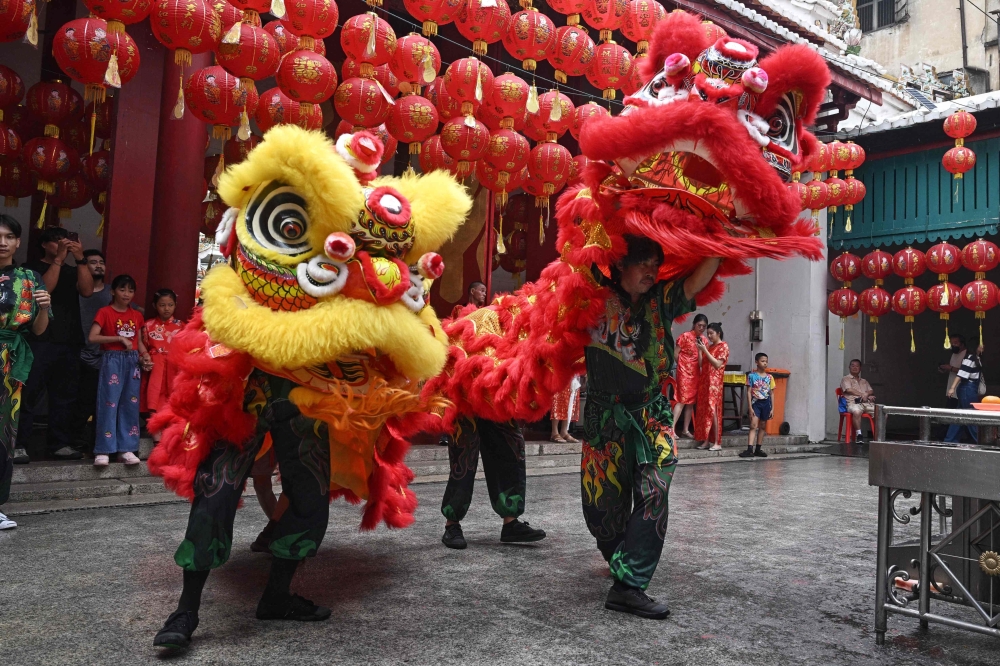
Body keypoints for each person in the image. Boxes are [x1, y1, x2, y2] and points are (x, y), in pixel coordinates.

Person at [580, 233, 720, 619]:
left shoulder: (662, 298)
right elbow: (573, 257)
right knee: (601, 512)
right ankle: (619, 560)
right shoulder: (591, 295)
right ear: (620, 264)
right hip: (602, 418)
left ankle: (629, 585)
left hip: (652, 413)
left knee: (655, 487)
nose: (651, 271)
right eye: (643, 263)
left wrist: (721, 240)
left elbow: (696, 281)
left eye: (655, 264)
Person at [16, 226, 94, 462]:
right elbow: (44, 289)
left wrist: (80, 257)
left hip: (69, 340)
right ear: (44, 244)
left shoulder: (74, 269)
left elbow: (88, 290)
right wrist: (59, 258)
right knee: (29, 393)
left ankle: (59, 444)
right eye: (56, 242)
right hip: (38, 340)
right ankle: (19, 444)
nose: (62, 246)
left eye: (66, 242)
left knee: (65, 396)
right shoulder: (30, 270)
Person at [0, 215, 50, 529]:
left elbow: (40, 330)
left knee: (4, 433)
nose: (2, 242)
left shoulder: (30, 278)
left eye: (8, 236)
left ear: (18, 242)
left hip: (10, 362)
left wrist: (44, 307)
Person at [440, 416, 547, 549]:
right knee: (463, 455)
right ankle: (452, 523)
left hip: (495, 398)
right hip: (464, 398)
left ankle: (510, 521)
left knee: (510, 447)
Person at [88, 275, 152, 466]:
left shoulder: (137, 315)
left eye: (130, 290)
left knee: (130, 405)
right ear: (113, 291)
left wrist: (145, 356)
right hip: (112, 361)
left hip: (132, 362)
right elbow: (92, 337)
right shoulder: (105, 312)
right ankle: (104, 449)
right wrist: (117, 339)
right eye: (122, 289)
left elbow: (138, 342)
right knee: (109, 404)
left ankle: (127, 448)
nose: (126, 294)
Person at [74, 249, 110, 453]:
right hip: (77, 352)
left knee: (99, 401)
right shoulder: (76, 291)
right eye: (93, 262)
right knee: (78, 400)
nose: (98, 265)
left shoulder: (113, 292)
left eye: (101, 262)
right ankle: (74, 438)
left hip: (104, 357)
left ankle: (97, 443)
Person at [140, 288, 184, 437]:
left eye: (170, 305)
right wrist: (144, 359)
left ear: (175, 305)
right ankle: (157, 438)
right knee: (155, 401)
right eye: (162, 305)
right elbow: (143, 348)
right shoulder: (148, 325)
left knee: (173, 402)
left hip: (174, 368)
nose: (166, 309)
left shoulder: (181, 326)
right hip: (156, 370)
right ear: (155, 306)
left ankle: (170, 439)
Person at [694, 323, 729, 451]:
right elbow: (701, 363)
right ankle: (706, 441)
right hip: (705, 382)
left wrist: (705, 351)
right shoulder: (709, 346)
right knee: (705, 412)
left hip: (714, 384)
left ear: (718, 333)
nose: (709, 336)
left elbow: (717, 364)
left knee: (713, 411)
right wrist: (700, 350)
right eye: (707, 334)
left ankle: (717, 442)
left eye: (711, 333)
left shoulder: (723, 346)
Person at [671, 314, 707, 438]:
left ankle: (686, 429)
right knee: (681, 400)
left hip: (696, 373)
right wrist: (682, 366)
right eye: (699, 325)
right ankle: (671, 428)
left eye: (704, 326)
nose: (701, 328)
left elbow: (703, 361)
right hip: (684, 372)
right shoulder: (685, 336)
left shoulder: (704, 340)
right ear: (694, 324)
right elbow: (675, 353)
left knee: (691, 402)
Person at [945, 343, 984, 443]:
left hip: (969, 389)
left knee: (960, 416)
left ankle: (950, 440)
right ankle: (979, 440)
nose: (983, 346)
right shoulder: (970, 358)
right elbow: (961, 374)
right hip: (967, 388)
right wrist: (952, 388)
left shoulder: (976, 358)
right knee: (971, 415)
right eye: (981, 344)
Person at [741, 352, 773, 458]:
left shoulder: (770, 377)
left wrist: (772, 408)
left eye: (766, 361)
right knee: (753, 425)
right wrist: (750, 407)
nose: (765, 363)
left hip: (766, 403)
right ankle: (749, 449)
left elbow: (772, 393)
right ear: (756, 362)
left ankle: (758, 448)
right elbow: (749, 392)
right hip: (756, 403)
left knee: (763, 426)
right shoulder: (751, 376)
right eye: (762, 361)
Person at [841, 359, 875, 443]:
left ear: (860, 368)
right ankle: (859, 435)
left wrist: (867, 395)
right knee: (856, 412)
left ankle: (879, 435)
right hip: (853, 403)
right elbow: (849, 390)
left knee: (881, 412)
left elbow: (871, 390)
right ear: (849, 367)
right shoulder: (846, 379)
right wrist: (863, 394)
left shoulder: (864, 381)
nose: (855, 367)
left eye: (857, 366)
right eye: (853, 366)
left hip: (866, 403)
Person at [550, 374, 582, 443]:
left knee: (570, 398)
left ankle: (564, 431)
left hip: (572, 371)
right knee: (558, 398)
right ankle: (554, 432)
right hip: (560, 370)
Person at [939, 334, 968, 409]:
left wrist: (951, 368)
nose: (953, 345)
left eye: (956, 342)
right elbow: (953, 368)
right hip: (951, 390)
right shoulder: (954, 354)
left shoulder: (967, 354)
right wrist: (945, 369)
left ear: (962, 343)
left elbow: (965, 371)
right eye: (952, 343)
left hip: (960, 389)